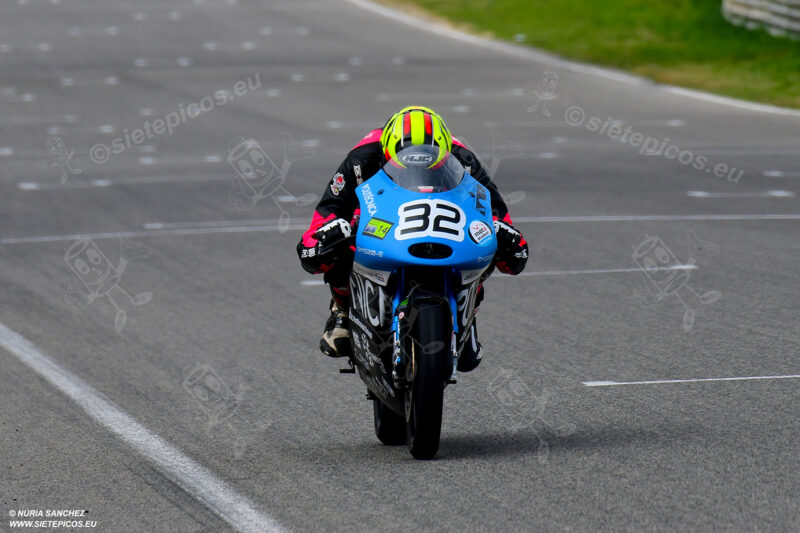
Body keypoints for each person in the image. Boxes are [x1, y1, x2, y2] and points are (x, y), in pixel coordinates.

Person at [296, 106, 528, 371]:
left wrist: (506, 238)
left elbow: (495, 214)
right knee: (338, 238)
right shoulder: (361, 158)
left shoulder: (464, 159)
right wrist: (326, 237)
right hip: (385, 219)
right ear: (386, 151)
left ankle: (468, 314)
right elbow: (326, 214)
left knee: (486, 239)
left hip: (445, 221)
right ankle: (342, 310)